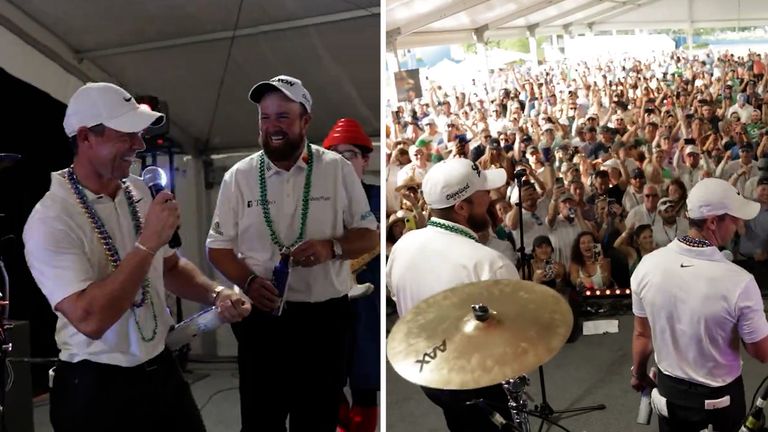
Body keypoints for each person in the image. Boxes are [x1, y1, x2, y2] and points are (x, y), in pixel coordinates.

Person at [23, 82, 252, 432]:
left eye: (140, 133)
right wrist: (147, 244)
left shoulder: (139, 192)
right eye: (126, 134)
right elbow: (90, 318)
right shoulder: (51, 219)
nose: (139, 145)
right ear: (86, 138)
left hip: (160, 370)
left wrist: (216, 293)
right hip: (94, 386)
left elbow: (170, 267)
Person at [206, 75, 378, 432]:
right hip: (262, 320)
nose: (272, 127)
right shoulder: (239, 176)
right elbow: (218, 247)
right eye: (265, 118)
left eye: (283, 116)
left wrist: (331, 247)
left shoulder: (336, 169)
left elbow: (369, 237)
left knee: (316, 419)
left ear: (305, 121)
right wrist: (249, 281)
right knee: (260, 421)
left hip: (325, 321)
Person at [387, 157, 520, 432]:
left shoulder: (403, 244)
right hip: (479, 382)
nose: (492, 197)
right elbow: (515, 335)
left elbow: (397, 297)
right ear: (461, 207)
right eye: (484, 194)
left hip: (430, 377)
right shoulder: (489, 263)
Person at [631, 177, 768, 432]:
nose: (739, 224)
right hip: (720, 403)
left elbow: (641, 334)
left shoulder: (647, 266)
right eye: (734, 218)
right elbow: (761, 353)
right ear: (713, 222)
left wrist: (638, 374)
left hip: (668, 394)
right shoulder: (739, 281)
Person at [322, 118, 380, 432]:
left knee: (365, 380)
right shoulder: (319, 203)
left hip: (366, 306)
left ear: (364, 160)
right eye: (336, 156)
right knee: (326, 378)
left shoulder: (377, 197)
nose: (343, 162)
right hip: (328, 301)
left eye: (350, 155)